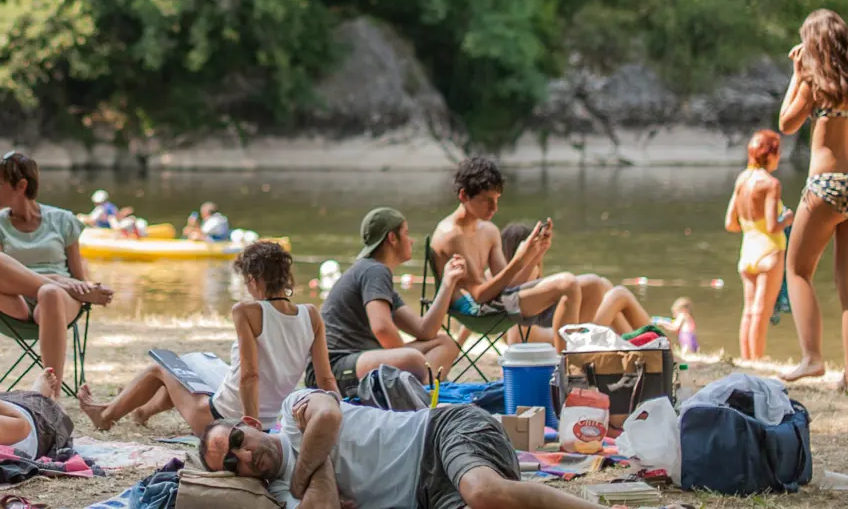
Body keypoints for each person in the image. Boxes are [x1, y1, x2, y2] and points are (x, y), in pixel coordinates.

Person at [77, 240, 337, 433]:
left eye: (247, 282)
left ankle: (106, 415)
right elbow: (325, 377)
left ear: (254, 280)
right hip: (270, 418)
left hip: (223, 419)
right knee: (188, 366)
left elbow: (250, 375)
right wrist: (340, 413)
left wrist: (251, 427)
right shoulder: (311, 314)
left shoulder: (246, 311)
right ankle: (141, 411)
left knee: (160, 367)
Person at [202, 387, 601, 509]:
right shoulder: (276, 493)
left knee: (482, 492)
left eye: (238, 442)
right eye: (234, 464)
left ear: (250, 424)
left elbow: (327, 418)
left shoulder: (291, 410)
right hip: (427, 496)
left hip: (440, 431)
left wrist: (305, 471)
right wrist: (317, 459)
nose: (247, 457)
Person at [776, 9, 848, 392]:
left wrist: (796, 74)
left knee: (798, 270)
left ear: (814, 45)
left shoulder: (814, 80)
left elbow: (786, 124)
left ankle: (812, 358)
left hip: (827, 184)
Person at [0, 151, 113, 384]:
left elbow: (78, 276)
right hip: (12, 301)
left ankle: (49, 393)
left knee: (49, 293)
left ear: (21, 185)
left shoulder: (62, 220)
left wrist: (63, 285)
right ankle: (55, 282)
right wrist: (57, 278)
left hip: (60, 301)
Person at [428, 157, 583, 339]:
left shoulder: (489, 230)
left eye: (497, 199)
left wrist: (536, 253)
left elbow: (508, 286)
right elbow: (478, 296)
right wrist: (519, 260)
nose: (494, 207)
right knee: (567, 284)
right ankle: (567, 364)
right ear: (463, 196)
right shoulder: (451, 235)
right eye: (486, 200)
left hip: (496, 303)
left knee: (592, 283)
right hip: (477, 314)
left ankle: (577, 355)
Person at [320, 208, 465, 390]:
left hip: (359, 361)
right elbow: (382, 328)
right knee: (413, 359)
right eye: (406, 233)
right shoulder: (374, 270)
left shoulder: (376, 275)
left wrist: (447, 283)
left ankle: (419, 392)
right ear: (392, 238)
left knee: (445, 343)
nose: (411, 240)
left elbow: (425, 330)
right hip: (334, 368)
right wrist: (403, 357)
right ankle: (420, 394)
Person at [494, 223, 654, 339]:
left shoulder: (497, 277)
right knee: (618, 294)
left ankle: (647, 348)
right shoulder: (527, 272)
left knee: (607, 287)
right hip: (551, 340)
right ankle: (652, 349)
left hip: (545, 335)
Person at [724, 129, 792, 361]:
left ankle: (746, 359)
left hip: (748, 251)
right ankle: (758, 360)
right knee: (762, 312)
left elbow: (730, 223)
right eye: (778, 152)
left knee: (749, 311)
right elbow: (773, 225)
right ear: (770, 155)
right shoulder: (770, 184)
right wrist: (789, 218)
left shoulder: (742, 180)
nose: (780, 157)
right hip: (769, 250)